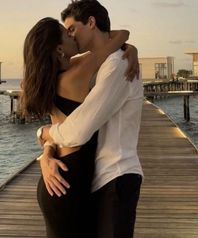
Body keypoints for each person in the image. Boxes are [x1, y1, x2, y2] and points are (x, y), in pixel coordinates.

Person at [21, 15, 138, 238]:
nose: (72, 35)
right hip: (68, 183)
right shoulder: (79, 70)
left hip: (58, 178)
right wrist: (130, 46)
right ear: (58, 49)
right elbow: (118, 37)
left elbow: (56, 130)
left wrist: (46, 150)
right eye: (67, 34)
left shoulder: (52, 78)